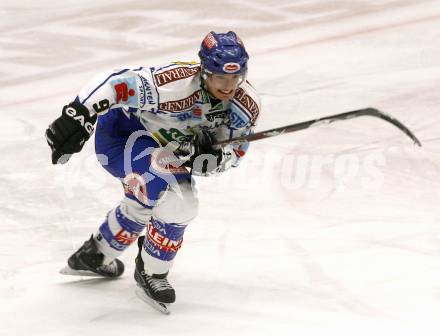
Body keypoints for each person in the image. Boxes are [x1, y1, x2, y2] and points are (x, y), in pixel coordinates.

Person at [45, 31, 261, 312]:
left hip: (160, 149)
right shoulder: (172, 84)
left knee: (158, 192)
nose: (229, 85)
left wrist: (210, 158)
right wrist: (77, 113)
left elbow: (231, 157)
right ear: (204, 71)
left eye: (236, 77)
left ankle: (98, 253)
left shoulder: (244, 107)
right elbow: (113, 83)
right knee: (178, 199)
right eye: (221, 77)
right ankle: (152, 272)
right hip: (122, 137)